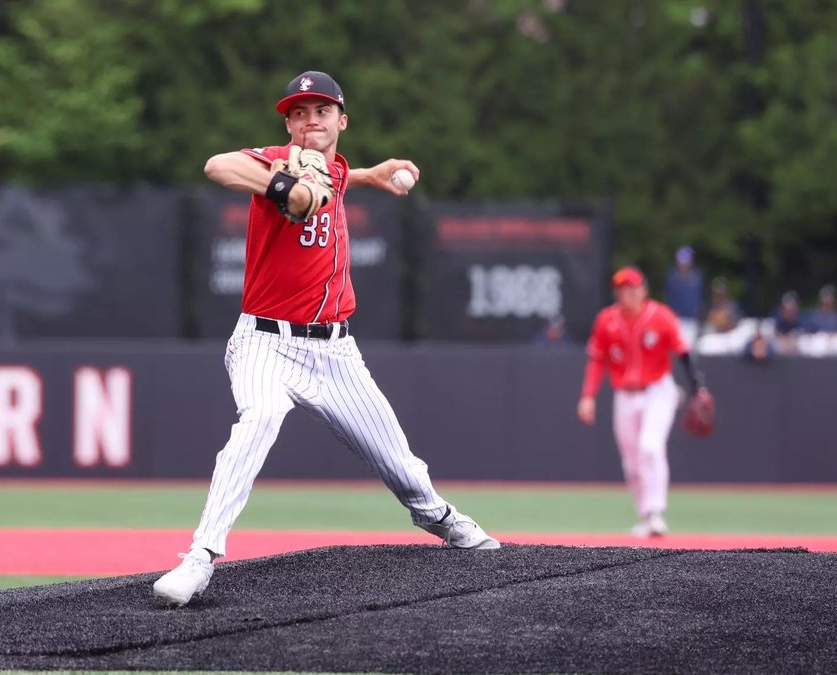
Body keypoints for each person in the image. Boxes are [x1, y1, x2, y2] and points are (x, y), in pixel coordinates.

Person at [152, 71, 499, 608]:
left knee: (400, 464)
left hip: (334, 352)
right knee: (260, 417)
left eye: (321, 111)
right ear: (288, 126)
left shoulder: (332, 168)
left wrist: (370, 175)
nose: (309, 120)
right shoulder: (279, 161)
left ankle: (442, 518)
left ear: (342, 121)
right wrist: (284, 186)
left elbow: (333, 176)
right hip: (266, 341)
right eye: (299, 113)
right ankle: (200, 557)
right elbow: (217, 166)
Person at [576, 267, 704, 538]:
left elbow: (683, 352)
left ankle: (656, 512)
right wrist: (588, 396)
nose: (629, 294)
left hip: (658, 390)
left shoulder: (660, 316)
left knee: (650, 446)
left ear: (644, 290)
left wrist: (698, 388)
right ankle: (646, 516)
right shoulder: (607, 320)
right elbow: (597, 361)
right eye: (623, 289)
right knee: (631, 463)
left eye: (633, 288)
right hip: (625, 395)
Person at [664, 246, 703, 343]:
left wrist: (699, 320)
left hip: (691, 320)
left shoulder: (696, 278)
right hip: (675, 319)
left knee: (689, 346)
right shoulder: (672, 277)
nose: (683, 264)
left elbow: (699, 300)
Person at [771, 291, 802, 355]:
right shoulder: (776, 321)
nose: (788, 313)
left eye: (791, 310)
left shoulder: (801, 321)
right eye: (786, 310)